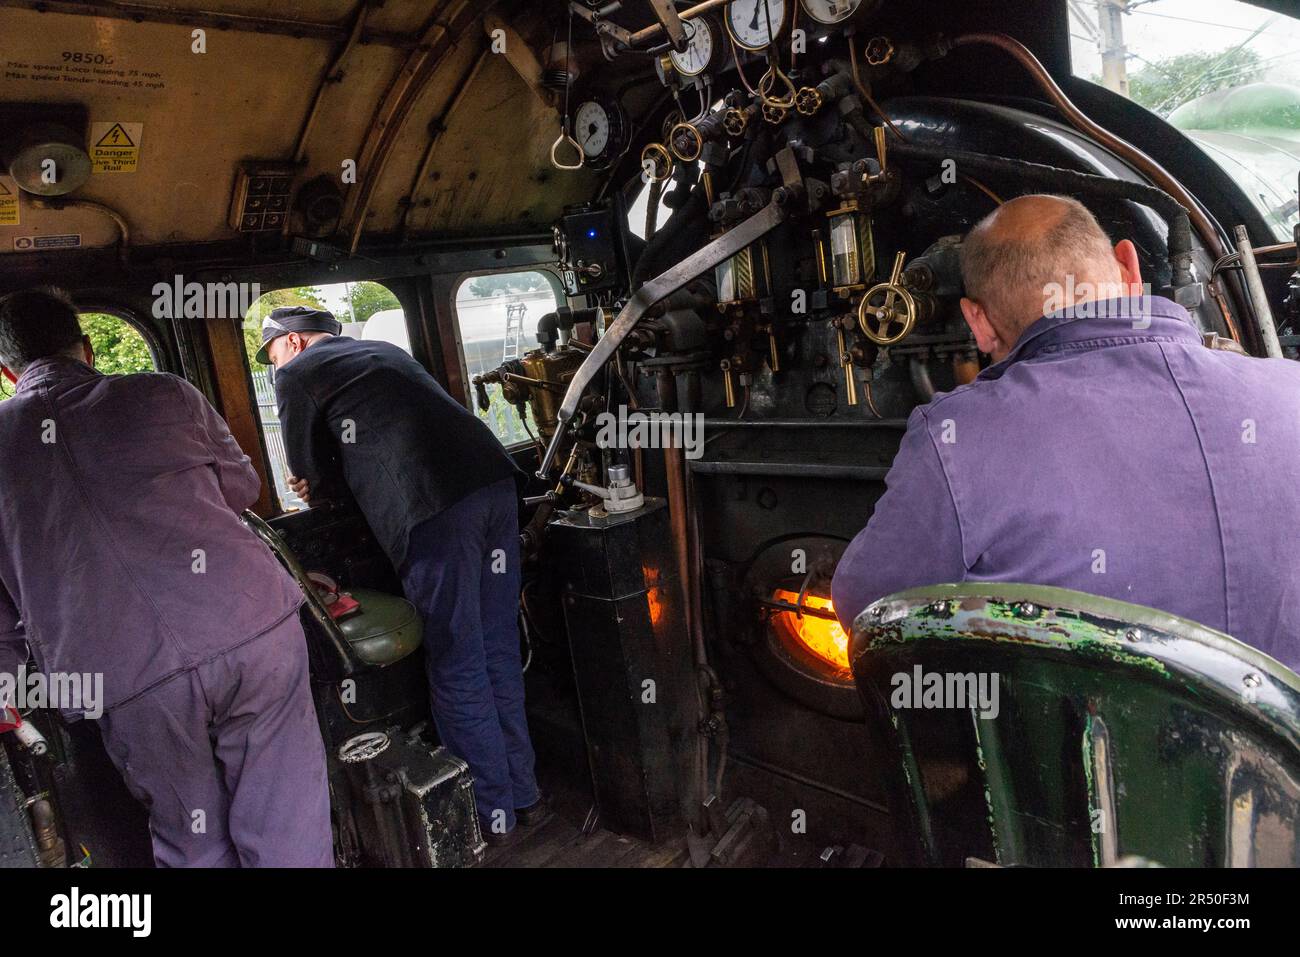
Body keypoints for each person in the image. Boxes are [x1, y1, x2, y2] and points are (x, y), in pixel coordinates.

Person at [831, 195, 1300, 672]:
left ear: (978, 323)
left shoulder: (954, 440)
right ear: (1129, 266)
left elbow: (869, 613)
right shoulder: (1292, 390)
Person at [0, 288, 332, 866]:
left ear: (7, 372)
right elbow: (241, 490)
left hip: (122, 675)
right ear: (86, 350)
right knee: (286, 812)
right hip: (249, 628)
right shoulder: (164, 392)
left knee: (191, 838)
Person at [257, 305, 543, 842]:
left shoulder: (297, 373)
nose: (275, 367)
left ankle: (490, 812)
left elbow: (308, 471)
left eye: (272, 356)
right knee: (498, 646)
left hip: (432, 506)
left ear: (292, 343)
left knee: (458, 660)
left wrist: (315, 487)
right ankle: (522, 795)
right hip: (494, 483)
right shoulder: (384, 351)